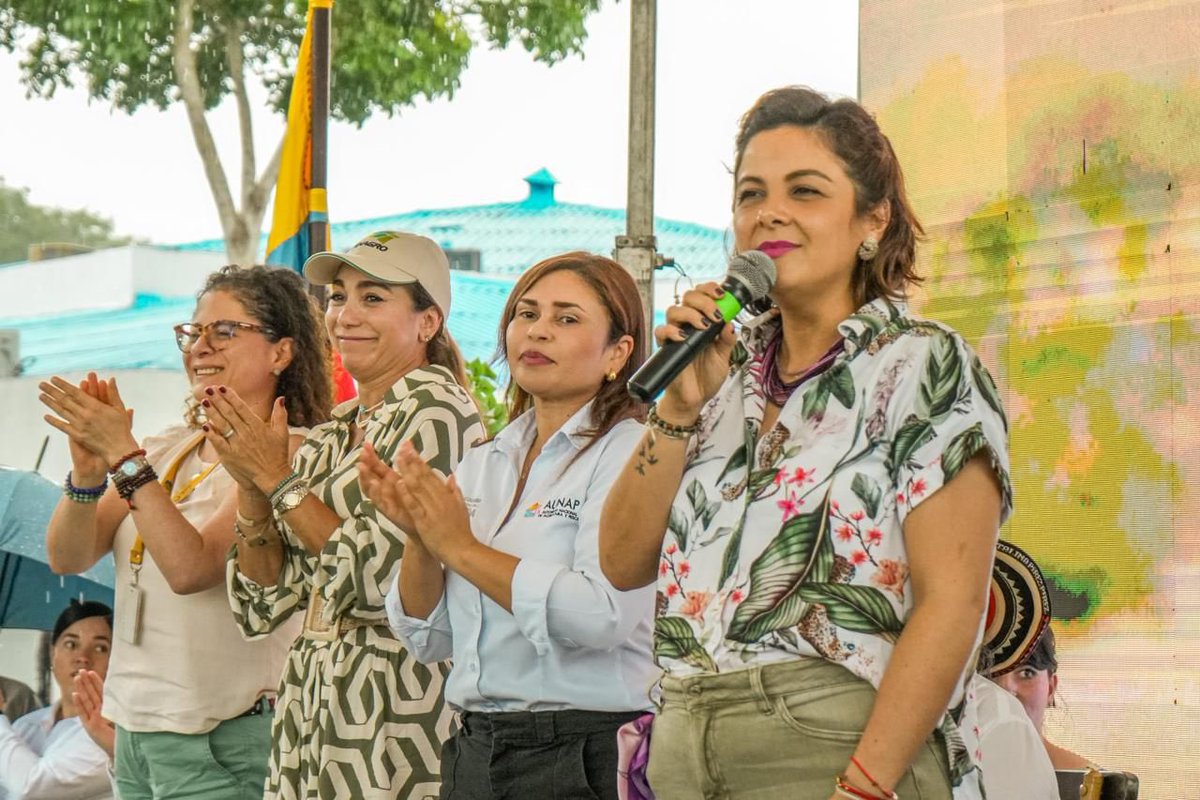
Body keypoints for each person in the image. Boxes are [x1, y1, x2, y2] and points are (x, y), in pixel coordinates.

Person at [599, 85, 1013, 800]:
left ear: (872, 221)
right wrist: (677, 408)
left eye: (806, 191)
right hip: (686, 741)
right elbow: (622, 561)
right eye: (751, 194)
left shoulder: (922, 364)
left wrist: (866, 784)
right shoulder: (717, 375)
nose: (770, 213)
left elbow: (952, 602)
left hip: (832, 745)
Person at [361, 252, 658, 799]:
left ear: (618, 352)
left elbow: (602, 615)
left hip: (583, 750)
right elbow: (431, 638)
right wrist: (421, 540)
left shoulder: (634, 453)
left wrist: (459, 546)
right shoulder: (486, 459)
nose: (538, 330)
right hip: (476, 746)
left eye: (566, 319)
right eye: (526, 313)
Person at [39, 265, 332, 800]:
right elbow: (67, 556)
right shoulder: (166, 446)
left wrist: (123, 458)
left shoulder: (291, 452)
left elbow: (191, 569)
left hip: (222, 738)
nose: (199, 346)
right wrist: (86, 475)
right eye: (192, 332)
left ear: (281, 353)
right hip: (135, 728)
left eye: (224, 332)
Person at [213, 231, 486, 800]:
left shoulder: (436, 410)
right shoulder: (336, 429)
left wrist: (274, 477)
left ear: (428, 322)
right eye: (338, 296)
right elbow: (261, 603)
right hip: (314, 694)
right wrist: (251, 486)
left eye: (373, 297)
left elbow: (376, 585)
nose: (345, 315)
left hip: (393, 697)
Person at [0, 600, 114, 800]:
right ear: (53, 652)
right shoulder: (25, 725)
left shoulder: (107, 734)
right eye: (71, 644)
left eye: (100, 648)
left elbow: (34, 788)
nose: (83, 657)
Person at [993, 626, 1097, 771]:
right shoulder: (955, 783)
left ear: (1050, 688)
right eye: (989, 674)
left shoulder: (1091, 786)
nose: (1007, 688)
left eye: (1026, 673)